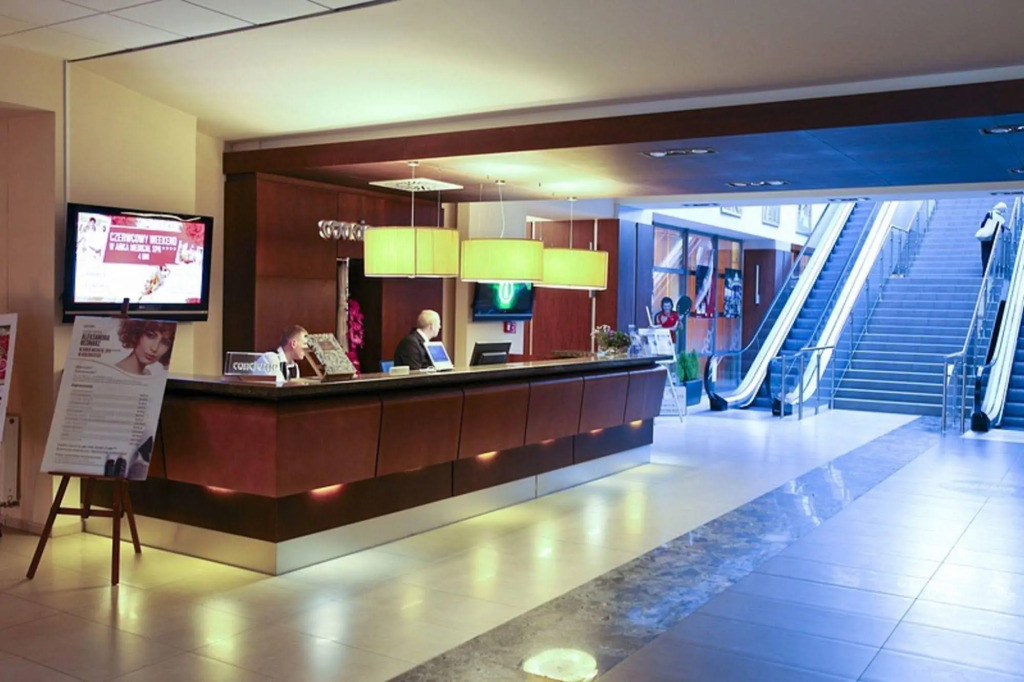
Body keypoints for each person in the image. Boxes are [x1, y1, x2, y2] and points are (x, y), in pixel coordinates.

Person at [976, 201, 1008, 271]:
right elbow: (1002, 230)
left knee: (985, 253)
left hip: (986, 237)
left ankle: (985, 269)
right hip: (994, 238)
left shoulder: (990, 213)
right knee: (991, 253)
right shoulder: (1002, 219)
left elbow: (983, 224)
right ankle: (990, 269)